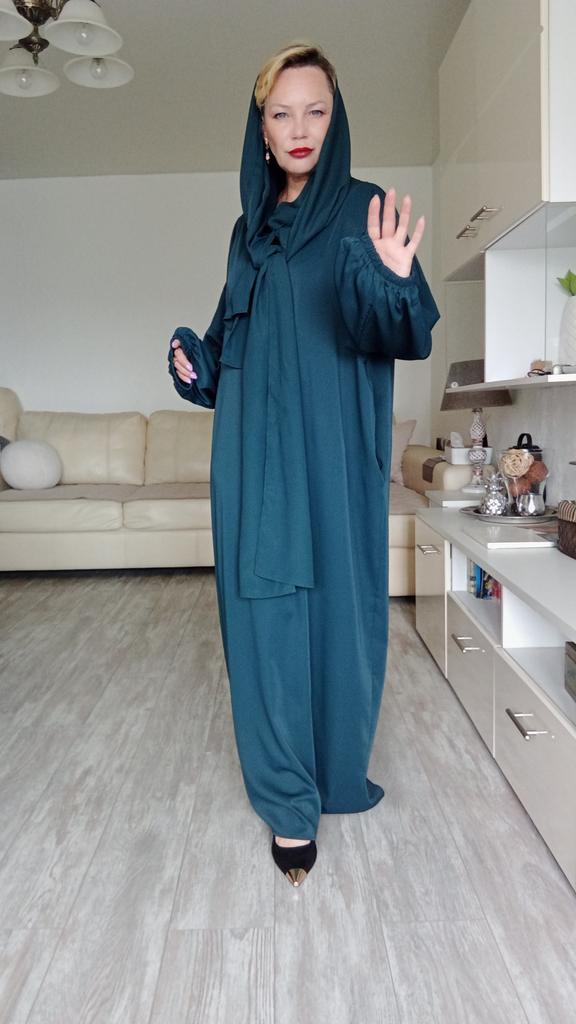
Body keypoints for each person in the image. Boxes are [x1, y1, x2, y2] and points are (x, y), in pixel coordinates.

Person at [168, 43, 439, 887]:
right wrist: (194, 361)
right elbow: (227, 344)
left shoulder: (365, 212)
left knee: (338, 616)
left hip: (333, 453)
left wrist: (397, 280)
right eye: (281, 113)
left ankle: (332, 771)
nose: (299, 128)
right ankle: (289, 801)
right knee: (263, 621)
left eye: (315, 110)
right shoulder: (247, 234)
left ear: (336, 117)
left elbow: (404, 333)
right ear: (261, 127)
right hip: (252, 457)